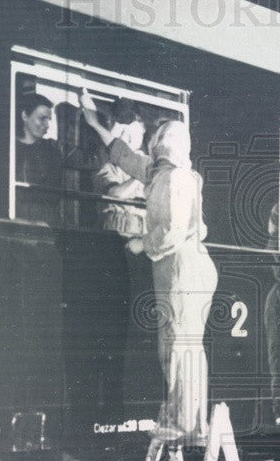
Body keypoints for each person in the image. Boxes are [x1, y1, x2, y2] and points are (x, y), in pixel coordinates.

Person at [81, 96, 217, 441]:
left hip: (183, 265)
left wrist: (141, 242)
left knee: (179, 344)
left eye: (156, 144)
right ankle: (187, 417)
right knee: (178, 343)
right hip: (178, 265)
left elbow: (172, 230)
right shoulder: (162, 173)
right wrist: (98, 126)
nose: (151, 148)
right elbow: (128, 160)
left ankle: (185, 423)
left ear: (164, 146)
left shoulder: (177, 179)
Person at [14, 92, 107, 227]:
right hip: (18, 221)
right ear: (24, 116)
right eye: (42, 118)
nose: (47, 125)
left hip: (49, 224)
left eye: (49, 119)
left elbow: (94, 160)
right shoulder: (9, 148)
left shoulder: (55, 148)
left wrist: (96, 124)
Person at [91, 100, 148, 238]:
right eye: (121, 131)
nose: (125, 135)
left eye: (130, 129)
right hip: (117, 226)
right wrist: (139, 175)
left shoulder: (151, 163)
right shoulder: (109, 167)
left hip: (144, 229)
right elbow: (114, 195)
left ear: (142, 130)